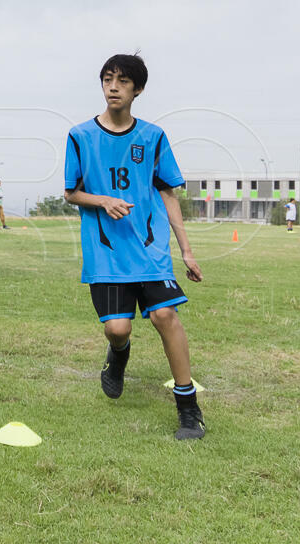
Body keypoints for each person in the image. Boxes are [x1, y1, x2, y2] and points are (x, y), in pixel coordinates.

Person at [63, 54, 206, 440]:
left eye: (122, 81)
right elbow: (71, 193)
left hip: (149, 248)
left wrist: (186, 250)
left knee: (165, 318)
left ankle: (188, 408)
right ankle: (119, 355)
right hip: (106, 251)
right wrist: (103, 201)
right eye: (107, 79)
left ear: (137, 89)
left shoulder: (153, 137)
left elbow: (168, 194)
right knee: (117, 328)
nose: (113, 87)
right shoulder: (80, 136)